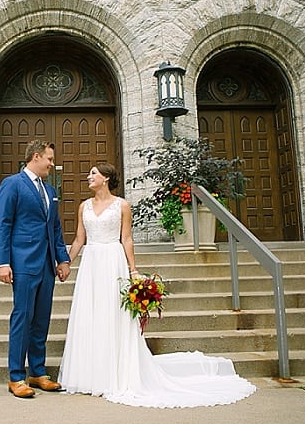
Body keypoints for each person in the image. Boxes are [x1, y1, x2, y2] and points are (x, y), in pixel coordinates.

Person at [57, 163, 256, 408]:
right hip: (91, 264)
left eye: (94, 173)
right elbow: (79, 239)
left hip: (112, 261)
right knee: (90, 315)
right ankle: (90, 375)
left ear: (106, 178)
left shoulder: (122, 205)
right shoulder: (83, 207)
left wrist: (133, 270)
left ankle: (115, 374)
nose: (89, 176)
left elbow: (126, 238)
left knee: (113, 316)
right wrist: (66, 263)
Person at [0, 139, 72, 398]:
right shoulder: (12, 184)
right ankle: (16, 376)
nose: (52, 163)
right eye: (49, 159)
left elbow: (55, 228)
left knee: (41, 320)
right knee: (22, 317)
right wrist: (2, 262)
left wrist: (62, 259)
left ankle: (38, 372)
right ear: (36, 157)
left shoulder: (50, 190)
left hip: (47, 264)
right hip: (23, 262)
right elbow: (4, 224)